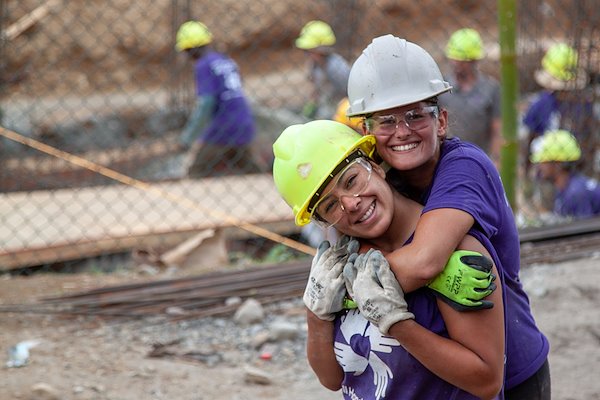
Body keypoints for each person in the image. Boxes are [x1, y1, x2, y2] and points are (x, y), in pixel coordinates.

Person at [344, 35, 550, 399]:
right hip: (442, 368)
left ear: (440, 121)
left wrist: (343, 291)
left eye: (414, 115)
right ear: (366, 132)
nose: (402, 131)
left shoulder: (465, 168)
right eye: (386, 121)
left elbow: (424, 261)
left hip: (512, 370)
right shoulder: (380, 183)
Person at [273, 120, 505, 399]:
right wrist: (315, 314)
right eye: (330, 205)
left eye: (351, 180)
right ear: (322, 221)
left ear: (374, 166)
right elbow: (331, 378)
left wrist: (398, 325)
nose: (350, 203)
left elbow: (486, 381)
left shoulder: (452, 253)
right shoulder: (340, 268)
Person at [175, 21, 264, 178]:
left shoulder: (203, 65)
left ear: (190, 49)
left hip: (222, 128)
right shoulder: (225, 60)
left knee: (195, 171)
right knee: (251, 171)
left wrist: (188, 137)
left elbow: (206, 103)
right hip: (244, 123)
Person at [439, 28, 502, 165]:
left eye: (462, 61)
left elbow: (497, 129)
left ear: (474, 61)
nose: (457, 65)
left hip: (479, 158)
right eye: (454, 59)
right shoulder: (441, 89)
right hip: (446, 158)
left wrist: (496, 160)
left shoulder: (490, 89)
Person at [530, 129, 600, 218]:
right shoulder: (567, 188)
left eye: (544, 161)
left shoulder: (576, 194)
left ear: (558, 164)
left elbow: (584, 230)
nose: (540, 166)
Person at [295, 20, 351, 120]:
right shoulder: (314, 64)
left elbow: (350, 93)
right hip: (326, 107)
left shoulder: (336, 67)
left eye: (308, 51)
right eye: (305, 51)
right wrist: (311, 106)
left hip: (342, 110)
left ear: (321, 50)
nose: (306, 55)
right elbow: (315, 89)